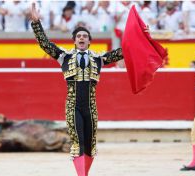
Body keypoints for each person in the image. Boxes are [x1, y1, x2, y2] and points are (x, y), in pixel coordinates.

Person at [30, 3, 124, 176]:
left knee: (90, 143)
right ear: (74, 40)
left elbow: (121, 52)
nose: (81, 38)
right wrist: (36, 24)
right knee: (78, 141)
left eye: (85, 36)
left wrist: (140, 36)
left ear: (89, 41)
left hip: (91, 107)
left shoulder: (98, 59)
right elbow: (45, 44)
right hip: (73, 106)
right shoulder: (64, 57)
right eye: (79, 36)